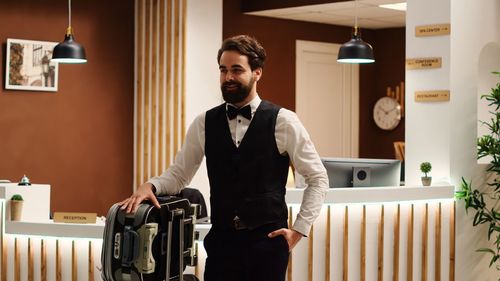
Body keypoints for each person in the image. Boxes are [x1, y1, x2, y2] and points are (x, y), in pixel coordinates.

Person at [120, 35, 328, 281]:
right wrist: (150, 185)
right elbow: (179, 174)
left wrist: (298, 230)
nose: (228, 77)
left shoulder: (283, 121)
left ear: (257, 72)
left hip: (267, 246)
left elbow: (318, 178)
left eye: (237, 70)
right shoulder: (204, 123)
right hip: (222, 245)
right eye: (223, 70)